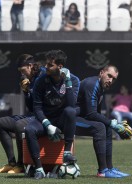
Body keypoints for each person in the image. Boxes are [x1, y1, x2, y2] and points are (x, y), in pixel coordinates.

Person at [24, 50, 77, 179]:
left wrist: (68, 81)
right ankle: (39, 169)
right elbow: (37, 107)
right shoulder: (41, 80)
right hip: (45, 120)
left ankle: (67, 152)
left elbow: (71, 104)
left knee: (70, 111)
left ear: (60, 66)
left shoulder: (73, 80)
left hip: (61, 120)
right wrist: (47, 124)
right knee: (29, 129)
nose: (46, 67)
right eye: (46, 64)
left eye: (50, 65)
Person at [75, 65, 131, 178]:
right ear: (101, 73)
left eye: (113, 79)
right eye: (109, 76)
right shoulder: (92, 84)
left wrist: (111, 124)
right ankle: (102, 171)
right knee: (100, 128)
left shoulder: (100, 87)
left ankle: (109, 169)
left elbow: (96, 114)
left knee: (106, 127)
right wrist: (113, 123)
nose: (110, 80)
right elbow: (91, 114)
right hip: (67, 120)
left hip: (79, 118)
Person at [0, 54, 45, 174]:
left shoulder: (42, 75)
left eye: (23, 70)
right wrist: (26, 92)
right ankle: (11, 163)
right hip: (33, 113)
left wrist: (30, 89)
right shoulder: (29, 78)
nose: (22, 74)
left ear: (30, 66)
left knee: (19, 125)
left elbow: (42, 104)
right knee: (1, 123)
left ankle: (21, 165)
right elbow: (31, 106)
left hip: (43, 115)